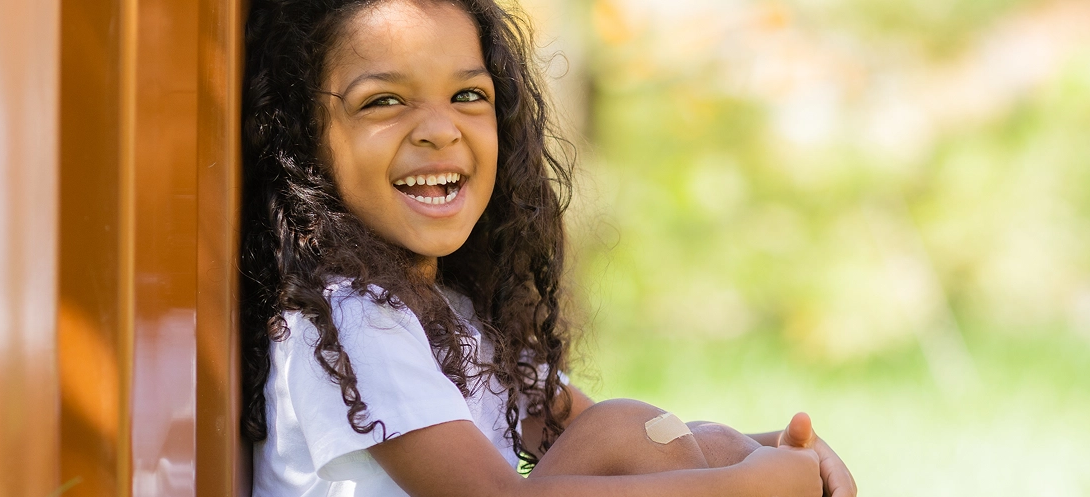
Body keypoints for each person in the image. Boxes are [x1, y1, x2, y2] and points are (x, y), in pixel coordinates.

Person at [238, 0, 857, 495]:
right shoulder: (349, 319)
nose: (438, 128)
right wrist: (738, 489)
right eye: (384, 101)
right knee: (623, 431)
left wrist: (768, 451)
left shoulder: (451, 317)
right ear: (302, 143)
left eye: (468, 95)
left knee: (666, 435)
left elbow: (639, 438)